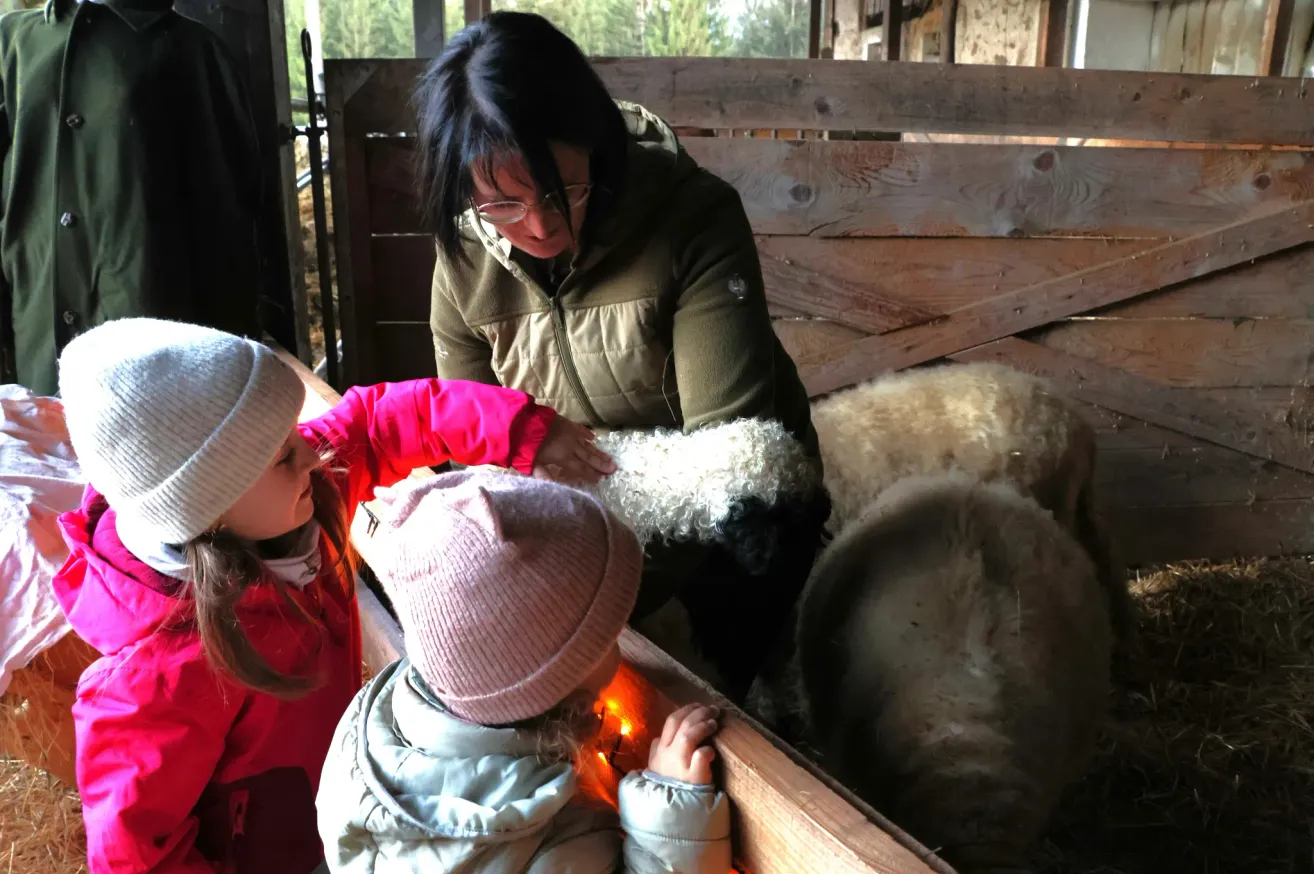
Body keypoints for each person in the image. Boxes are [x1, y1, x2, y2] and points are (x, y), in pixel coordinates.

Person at [52, 317, 611, 874]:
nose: (312, 455)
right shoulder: (155, 677)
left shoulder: (293, 496)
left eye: (294, 433)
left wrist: (519, 428)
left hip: (343, 812)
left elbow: (381, 422)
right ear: (206, 507)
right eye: (282, 456)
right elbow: (134, 854)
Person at [416, 10, 829, 701]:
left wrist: (544, 464)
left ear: (592, 140)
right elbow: (476, 447)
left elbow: (732, 461)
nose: (539, 225)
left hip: (736, 533)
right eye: (504, 204)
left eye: (562, 191)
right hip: (579, 540)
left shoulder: (694, 218)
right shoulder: (462, 259)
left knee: (720, 696)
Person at [317, 471, 732, 873]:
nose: (619, 644)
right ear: (557, 685)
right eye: (604, 635)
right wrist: (669, 822)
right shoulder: (547, 848)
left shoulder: (372, 736)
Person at [0, 0, 269, 395]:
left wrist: (231, 367)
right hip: (35, 337)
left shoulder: (192, 49)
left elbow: (226, 220)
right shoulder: (13, 42)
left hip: (151, 340)